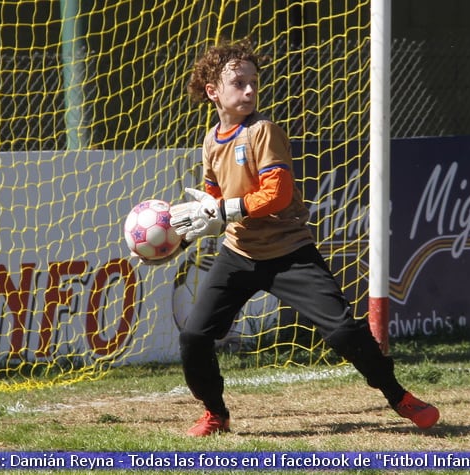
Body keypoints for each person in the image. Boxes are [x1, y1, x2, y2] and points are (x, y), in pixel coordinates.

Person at [167, 38, 440, 437]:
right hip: (238, 253)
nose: (249, 91)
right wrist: (182, 233)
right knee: (194, 335)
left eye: (253, 83)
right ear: (213, 92)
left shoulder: (263, 131)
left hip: (288, 252)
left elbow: (275, 195)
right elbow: (212, 199)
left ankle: (399, 396)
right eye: (239, 83)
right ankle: (215, 414)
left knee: (344, 331)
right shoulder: (211, 140)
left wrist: (225, 210)